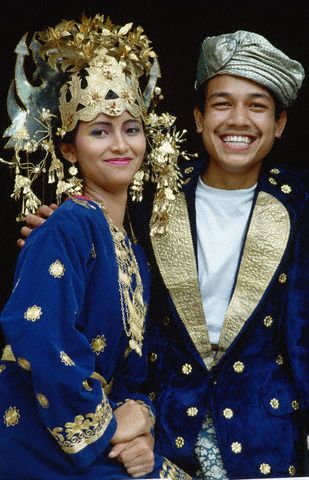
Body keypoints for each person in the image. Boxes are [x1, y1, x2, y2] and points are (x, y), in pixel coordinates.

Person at [17, 30, 309, 479]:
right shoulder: (151, 196)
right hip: (166, 440)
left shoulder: (301, 204)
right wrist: (56, 231)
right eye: (221, 104)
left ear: (280, 123)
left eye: (257, 105)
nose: (238, 120)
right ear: (196, 116)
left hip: (265, 439)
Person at [0, 13, 191, 480]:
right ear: (69, 149)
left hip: (98, 436)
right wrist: (107, 432)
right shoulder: (67, 225)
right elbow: (38, 336)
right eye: (99, 131)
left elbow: (134, 372)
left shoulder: (130, 247)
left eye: (131, 128)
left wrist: (141, 424)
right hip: (45, 437)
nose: (120, 145)